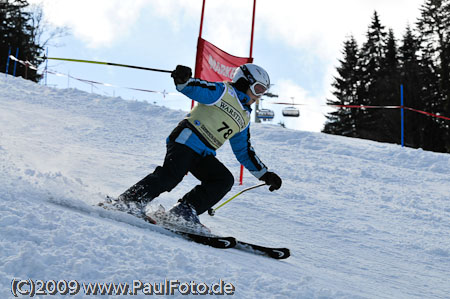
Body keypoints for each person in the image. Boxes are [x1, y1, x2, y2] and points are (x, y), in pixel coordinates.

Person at [106, 63, 282, 225]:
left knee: (223, 180)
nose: (258, 96)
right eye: (258, 89)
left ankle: (183, 212)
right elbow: (198, 89)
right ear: (244, 81)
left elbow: (243, 150)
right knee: (171, 175)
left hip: (204, 153)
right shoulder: (223, 91)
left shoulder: (244, 117)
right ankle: (129, 202)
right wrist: (184, 80)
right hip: (187, 138)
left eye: (263, 92)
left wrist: (264, 174)